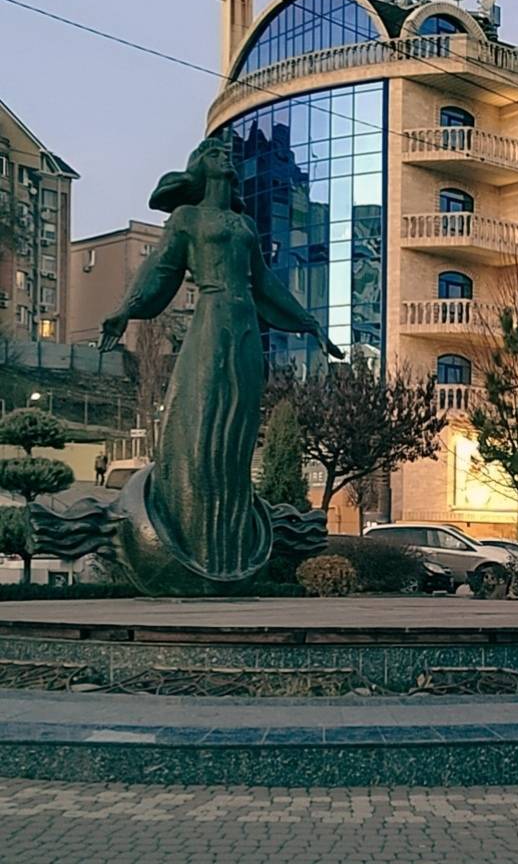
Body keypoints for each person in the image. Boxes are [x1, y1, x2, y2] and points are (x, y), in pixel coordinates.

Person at [98, 137, 341, 584]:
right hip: (211, 323)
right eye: (214, 152)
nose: (224, 156)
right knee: (203, 417)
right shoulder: (187, 218)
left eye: (226, 153)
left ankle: (227, 546)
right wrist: (126, 309)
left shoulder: (244, 224)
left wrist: (310, 323)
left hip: (246, 326)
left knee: (239, 427)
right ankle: (193, 532)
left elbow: (265, 284)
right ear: (198, 167)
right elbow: (160, 270)